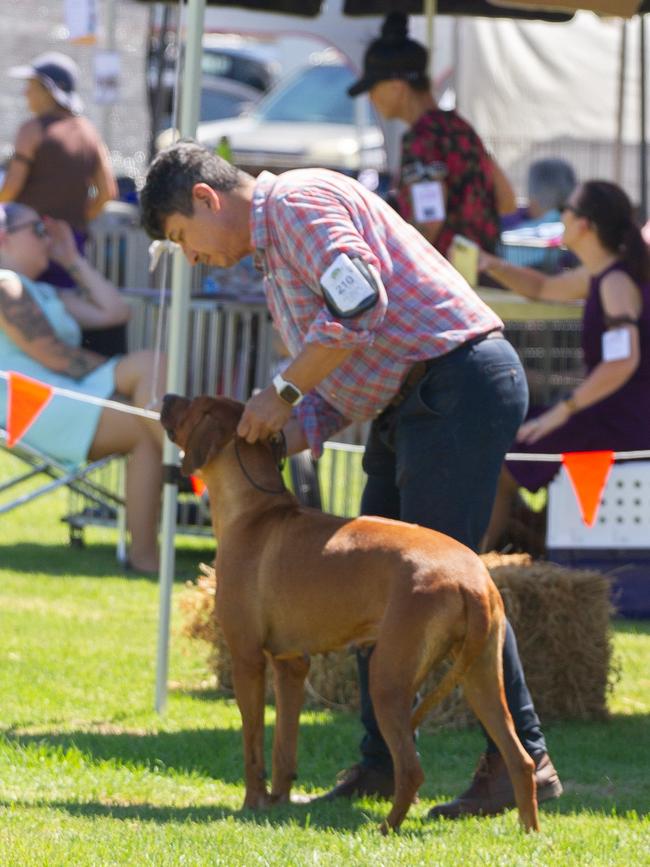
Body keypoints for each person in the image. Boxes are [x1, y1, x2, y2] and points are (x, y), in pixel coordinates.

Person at [139, 139, 562, 819]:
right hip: (408, 404)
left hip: (455, 384)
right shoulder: (274, 262)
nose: (194, 258)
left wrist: (281, 388)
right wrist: (276, 436)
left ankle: (524, 759)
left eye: (186, 239)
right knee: (371, 584)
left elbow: (360, 304)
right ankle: (377, 763)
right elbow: (335, 377)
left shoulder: (299, 206)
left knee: (449, 575)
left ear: (206, 199)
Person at [481, 180, 650, 552]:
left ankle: (474, 572)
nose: (562, 216)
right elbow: (543, 288)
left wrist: (562, 412)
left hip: (616, 426)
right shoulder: (604, 274)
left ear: (584, 224)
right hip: (604, 416)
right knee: (504, 451)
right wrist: (490, 264)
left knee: (498, 468)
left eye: (568, 210)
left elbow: (623, 361)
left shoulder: (616, 282)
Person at [0, 203, 165, 574]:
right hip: (34, 406)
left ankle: (146, 554)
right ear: (3, 238)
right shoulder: (4, 285)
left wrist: (72, 259)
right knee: (149, 376)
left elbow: (116, 311)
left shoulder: (43, 291)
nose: (48, 238)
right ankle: (195, 465)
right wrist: (115, 375)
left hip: (63, 394)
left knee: (148, 399)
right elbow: (54, 357)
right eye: (38, 230)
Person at [348, 12, 515, 259]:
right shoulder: (461, 128)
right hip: (482, 268)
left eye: (373, 88)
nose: (371, 98)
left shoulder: (422, 140)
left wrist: (393, 265)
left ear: (397, 87)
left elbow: (430, 221)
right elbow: (506, 201)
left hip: (443, 275)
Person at [0, 52, 121, 355]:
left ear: (49, 89)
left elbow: (11, 187)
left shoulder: (33, 129)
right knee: (67, 321)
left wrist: (23, 222)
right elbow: (108, 191)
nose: (26, 93)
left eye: (32, 86)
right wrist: (74, 223)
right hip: (71, 248)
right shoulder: (89, 132)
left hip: (24, 247)